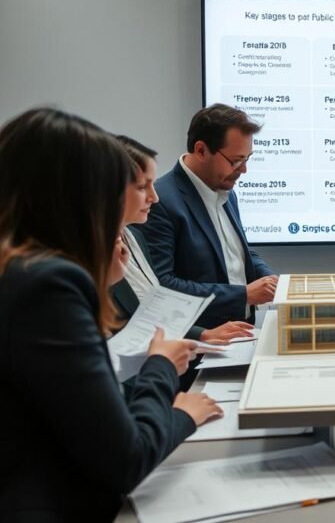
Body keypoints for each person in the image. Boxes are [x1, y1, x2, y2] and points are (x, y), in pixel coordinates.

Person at [0, 108, 222, 520]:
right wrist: (172, 394)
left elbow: (89, 406)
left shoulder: (20, 272)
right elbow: (125, 458)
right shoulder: (48, 285)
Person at [142, 104, 277, 327]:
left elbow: (236, 253)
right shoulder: (161, 201)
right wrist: (243, 295)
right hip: (196, 345)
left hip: (241, 334)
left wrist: (268, 279)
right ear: (201, 150)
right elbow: (162, 285)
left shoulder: (226, 192)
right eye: (235, 161)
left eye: (247, 159)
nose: (243, 170)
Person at [113, 135, 254, 345]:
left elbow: (151, 306)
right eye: (143, 187)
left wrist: (201, 334)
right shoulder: (86, 258)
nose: (154, 196)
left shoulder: (133, 238)